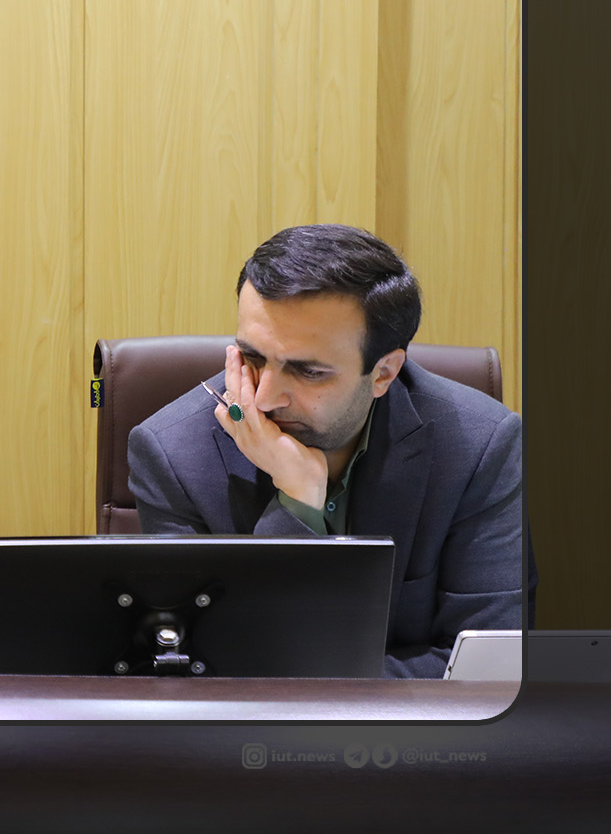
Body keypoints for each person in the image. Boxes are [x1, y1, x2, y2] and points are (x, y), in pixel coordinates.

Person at [127, 224, 529, 678]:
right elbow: (202, 667)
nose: (264, 398)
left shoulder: (479, 447)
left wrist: (322, 685)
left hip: (412, 726)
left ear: (384, 373)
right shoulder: (173, 454)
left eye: (309, 372)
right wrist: (297, 501)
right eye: (253, 358)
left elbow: (485, 668)